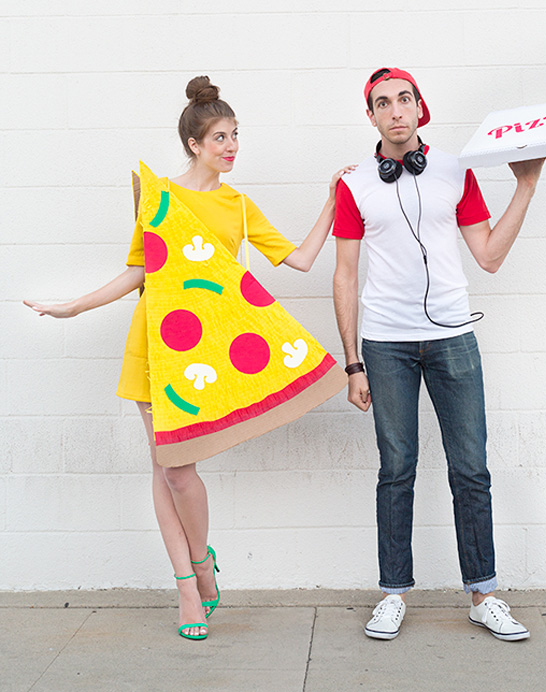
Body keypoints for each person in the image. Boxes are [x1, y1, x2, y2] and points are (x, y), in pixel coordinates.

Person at [25, 75, 352, 641]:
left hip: (203, 352)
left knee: (180, 471)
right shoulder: (159, 199)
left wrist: (329, 202)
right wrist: (74, 307)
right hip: (154, 344)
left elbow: (297, 260)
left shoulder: (239, 207)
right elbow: (139, 271)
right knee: (167, 469)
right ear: (195, 145)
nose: (231, 147)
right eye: (220, 137)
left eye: (234, 136)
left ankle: (202, 561)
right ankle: (186, 586)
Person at [332, 67, 545, 642]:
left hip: (453, 337)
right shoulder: (353, 185)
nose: (395, 110)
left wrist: (524, 186)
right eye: (383, 103)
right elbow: (345, 273)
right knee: (396, 470)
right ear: (371, 116)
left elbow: (490, 256)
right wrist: (353, 362)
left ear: (419, 108)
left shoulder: (455, 171)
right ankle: (394, 593)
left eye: (405, 99)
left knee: (470, 470)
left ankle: (484, 594)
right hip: (385, 343)